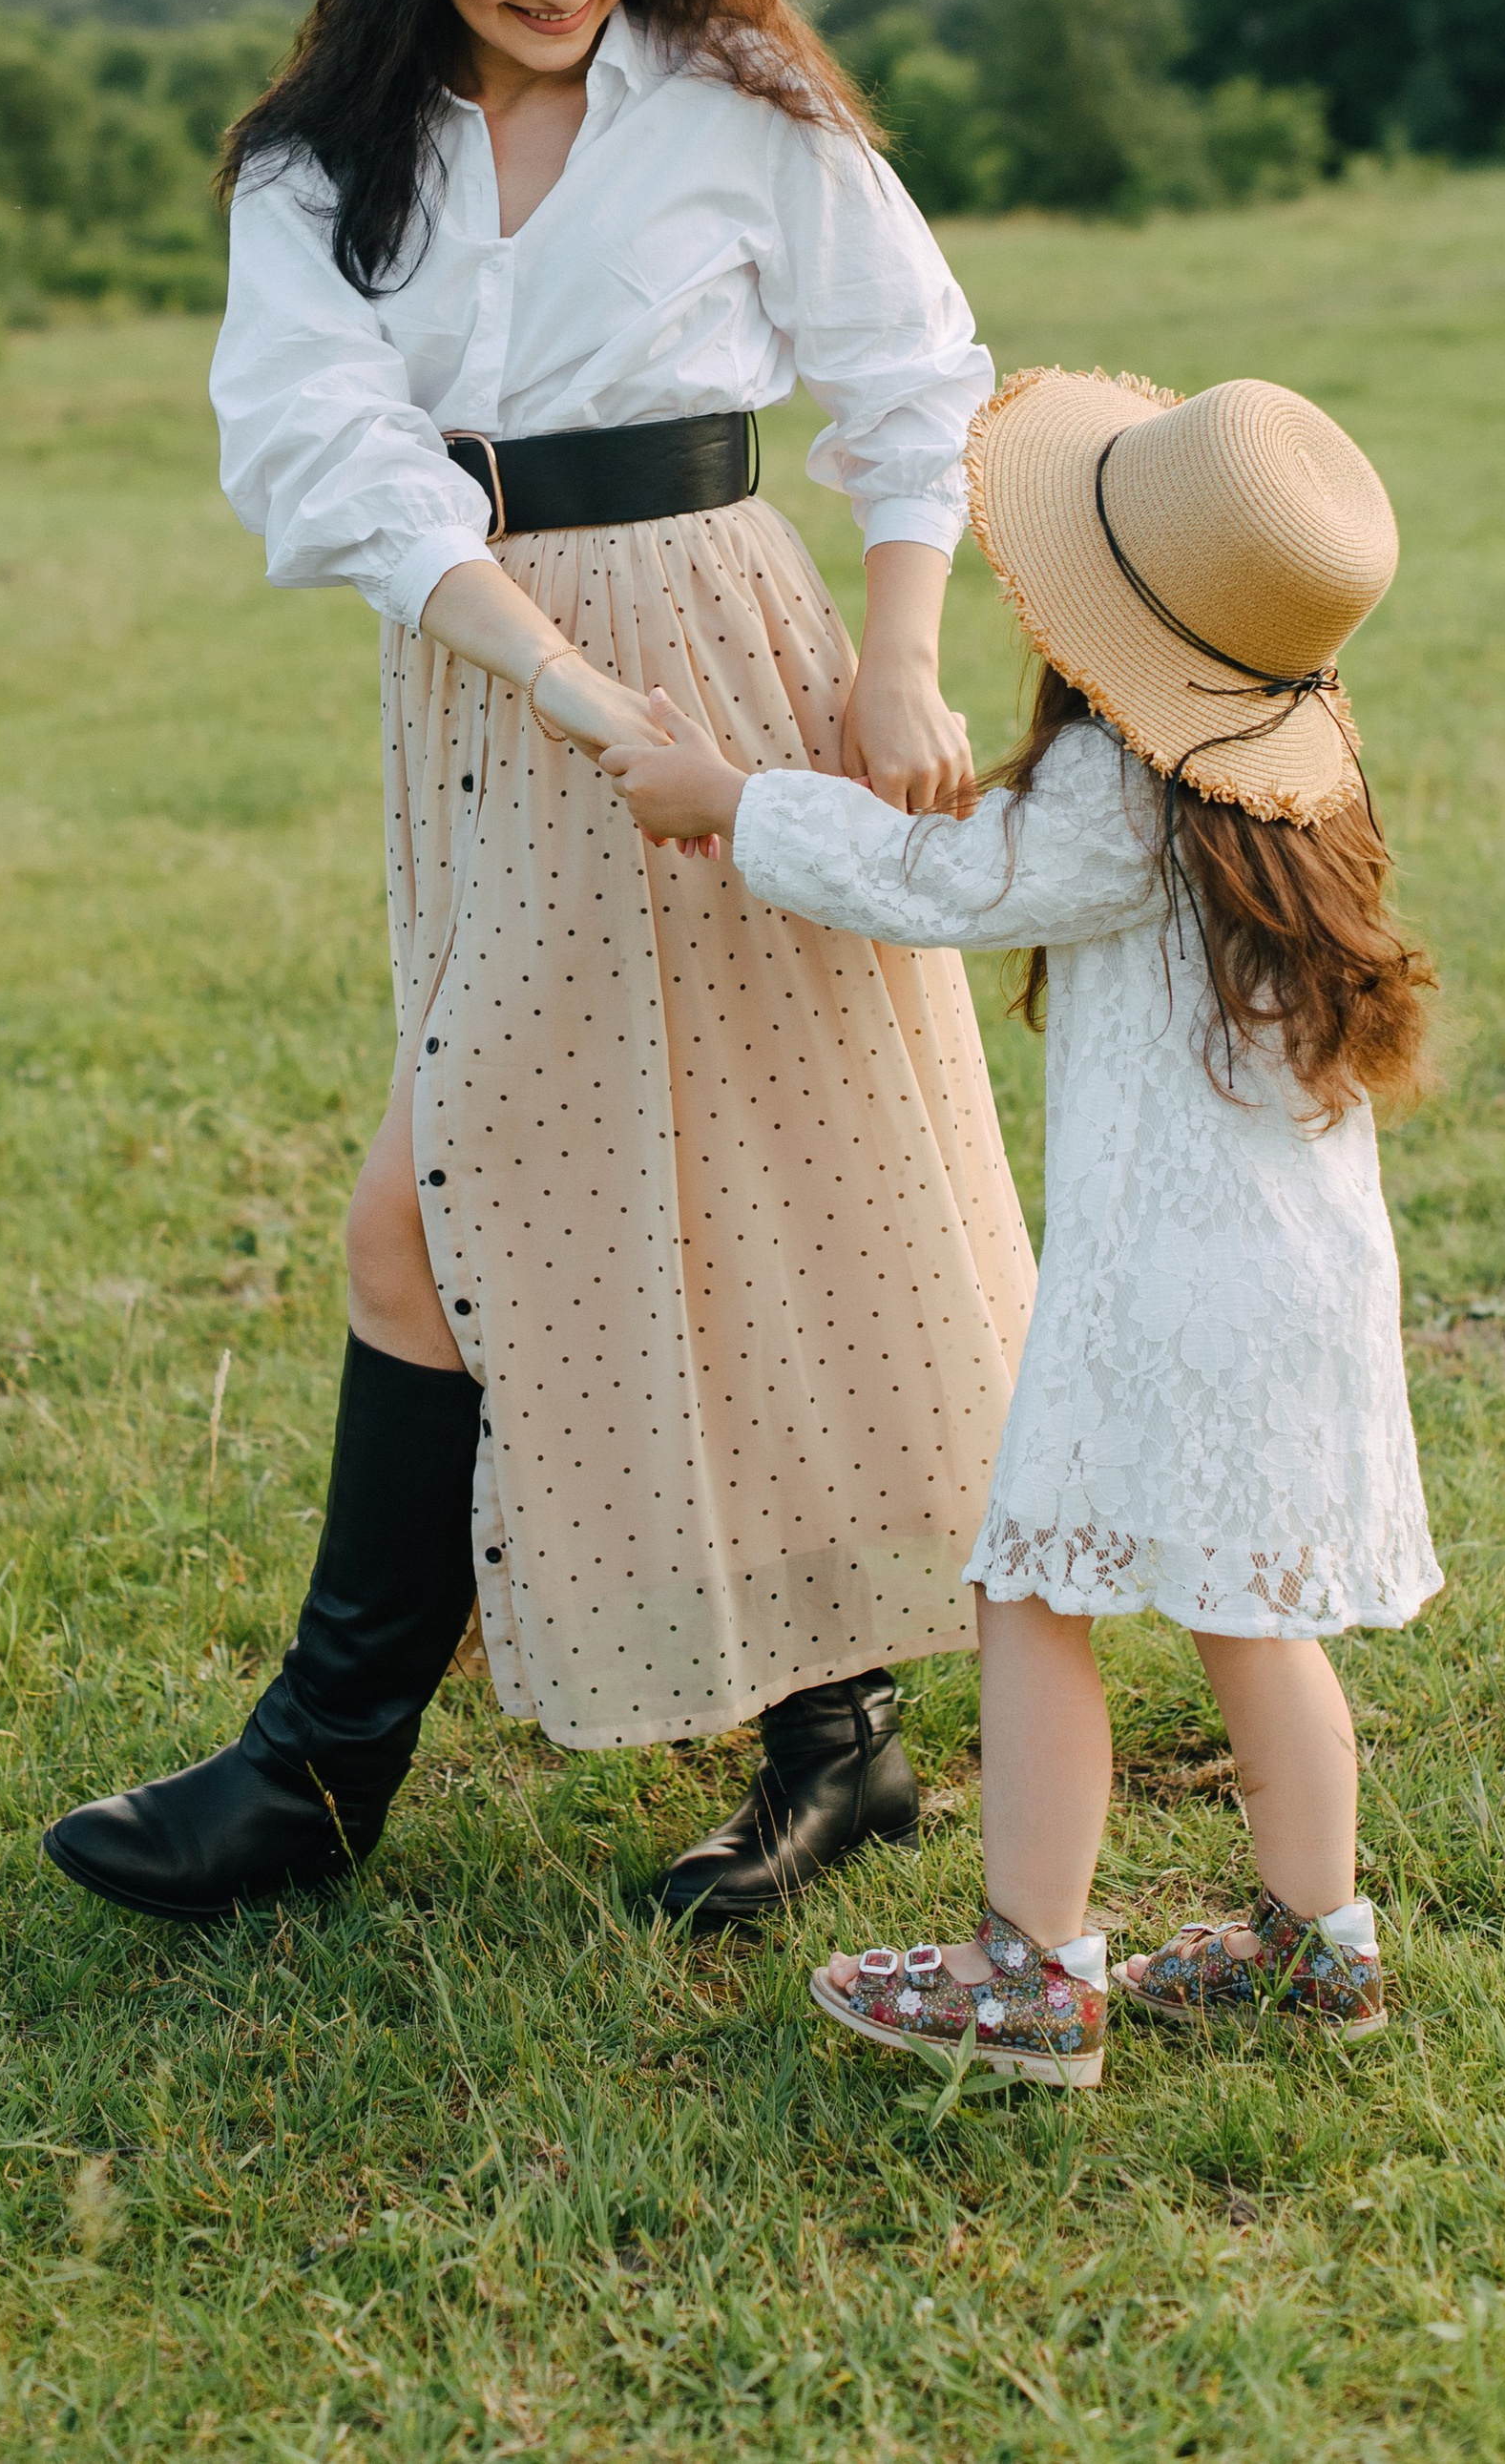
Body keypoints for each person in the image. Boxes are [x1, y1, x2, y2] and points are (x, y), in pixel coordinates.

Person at [42, 0, 1036, 1929]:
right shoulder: (321, 167)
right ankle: (681, 1739)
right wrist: (552, 676)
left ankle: (419, 1761)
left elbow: (914, 372)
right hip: (497, 689)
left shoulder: (742, 105)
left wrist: (896, 660)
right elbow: (328, 455)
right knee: (499, 1190)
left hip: (727, 656)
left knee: (673, 1182)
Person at [598, 363, 1442, 2085]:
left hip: (1165, 1293)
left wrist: (730, 799)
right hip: (1300, 1282)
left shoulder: (1124, 800)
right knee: (1243, 1605)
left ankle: (1032, 1971)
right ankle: (1316, 1942)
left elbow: (943, 883)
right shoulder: (1291, 793)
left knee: (1030, 1584)